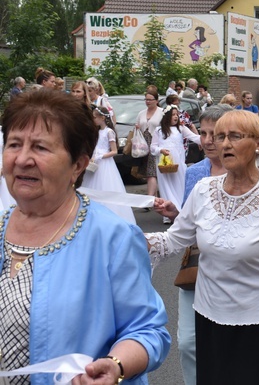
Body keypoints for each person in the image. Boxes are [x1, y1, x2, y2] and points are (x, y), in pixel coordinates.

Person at [0, 89, 170, 383]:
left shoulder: (112, 237)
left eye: (40, 148)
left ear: (78, 165)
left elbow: (148, 331)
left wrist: (115, 365)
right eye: (14, 144)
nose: (22, 159)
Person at [146, 110, 259, 383]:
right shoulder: (203, 189)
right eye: (220, 137)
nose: (224, 144)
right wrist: (131, 238)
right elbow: (173, 240)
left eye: (234, 136)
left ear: (258, 143)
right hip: (209, 318)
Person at [152, 104, 233, 385]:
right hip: (196, 267)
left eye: (216, 133)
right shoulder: (195, 172)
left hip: (233, 270)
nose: (209, 140)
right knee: (188, 342)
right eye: (206, 133)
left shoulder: (243, 173)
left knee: (227, 344)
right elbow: (187, 222)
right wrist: (176, 213)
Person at [81, 105, 135, 224]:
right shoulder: (97, 132)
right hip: (95, 162)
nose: (93, 120)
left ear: (102, 118)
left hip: (105, 164)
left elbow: (114, 151)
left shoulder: (109, 132)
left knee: (105, 186)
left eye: (95, 117)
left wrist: (100, 156)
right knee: (91, 186)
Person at [150, 105, 201, 223]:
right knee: (166, 186)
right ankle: (167, 213)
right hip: (165, 162)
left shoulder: (181, 129)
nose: (176, 117)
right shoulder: (159, 130)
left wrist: (205, 140)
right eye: (173, 114)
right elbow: (153, 148)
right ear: (167, 116)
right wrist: (160, 150)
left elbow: (194, 137)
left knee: (180, 185)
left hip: (178, 163)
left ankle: (180, 210)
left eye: (177, 114)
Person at [136, 86, 164, 200]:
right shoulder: (141, 113)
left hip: (156, 143)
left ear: (156, 101)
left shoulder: (162, 112)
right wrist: (137, 127)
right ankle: (155, 197)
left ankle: (149, 198)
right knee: (148, 172)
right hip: (143, 144)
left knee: (151, 172)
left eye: (150, 99)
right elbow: (138, 124)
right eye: (146, 99)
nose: (148, 102)